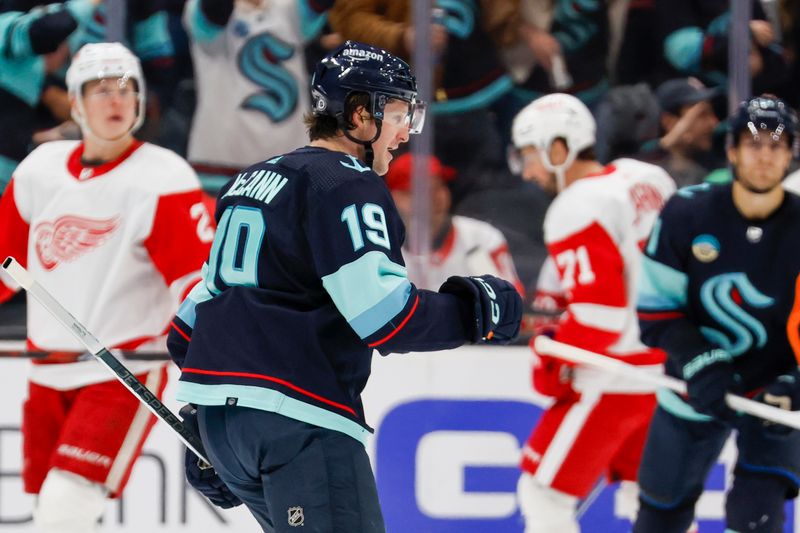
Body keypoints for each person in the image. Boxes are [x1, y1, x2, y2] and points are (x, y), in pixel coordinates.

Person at [166, 40, 524, 532]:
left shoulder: (249, 181)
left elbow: (185, 331)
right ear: (359, 115)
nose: (404, 133)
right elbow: (386, 319)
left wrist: (220, 420)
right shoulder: (345, 183)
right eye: (397, 113)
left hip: (224, 428)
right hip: (299, 421)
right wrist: (474, 314)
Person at [0, 42, 213, 533]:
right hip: (45, 373)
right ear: (75, 102)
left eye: (126, 88)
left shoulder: (163, 178)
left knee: (63, 512)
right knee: (56, 513)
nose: (115, 99)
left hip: (120, 375)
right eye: (99, 89)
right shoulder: (40, 170)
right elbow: (3, 267)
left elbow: (198, 288)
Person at [633, 95, 800, 533]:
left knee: (756, 519)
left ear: (791, 155)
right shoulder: (687, 213)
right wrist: (701, 361)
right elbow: (655, 312)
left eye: (776, 146)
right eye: (753, 144)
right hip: (691, 387)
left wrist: (795, 383)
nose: (764, 156)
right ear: (731, 152)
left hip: (775, 398)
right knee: (659, 516)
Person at [511, 93, 676, 533]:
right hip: (666, 373)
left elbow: (601, 317)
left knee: (543, 494)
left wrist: (555, 358)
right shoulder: (649, 178)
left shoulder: (576, 206)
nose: (527, 171)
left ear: (558, 148)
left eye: (531, 156)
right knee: (653, 502)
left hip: (613, 379)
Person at [183, 0, 333, 193]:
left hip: (290, 157)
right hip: (222, 162)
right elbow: (214, 14)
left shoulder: (288, 7)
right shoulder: (200, 9)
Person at [385, 152, 525, 294]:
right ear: (397, 197)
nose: (435, 197)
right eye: (423, 191)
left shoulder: (481, 237)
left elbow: (511, 299)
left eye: (439, 186)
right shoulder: (384, 247)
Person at [634, 77, 722, 188]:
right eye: (702, 115)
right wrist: (667, 143)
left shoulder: (715, 164)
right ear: (669, 122)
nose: (714, 123)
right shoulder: (646, 172)